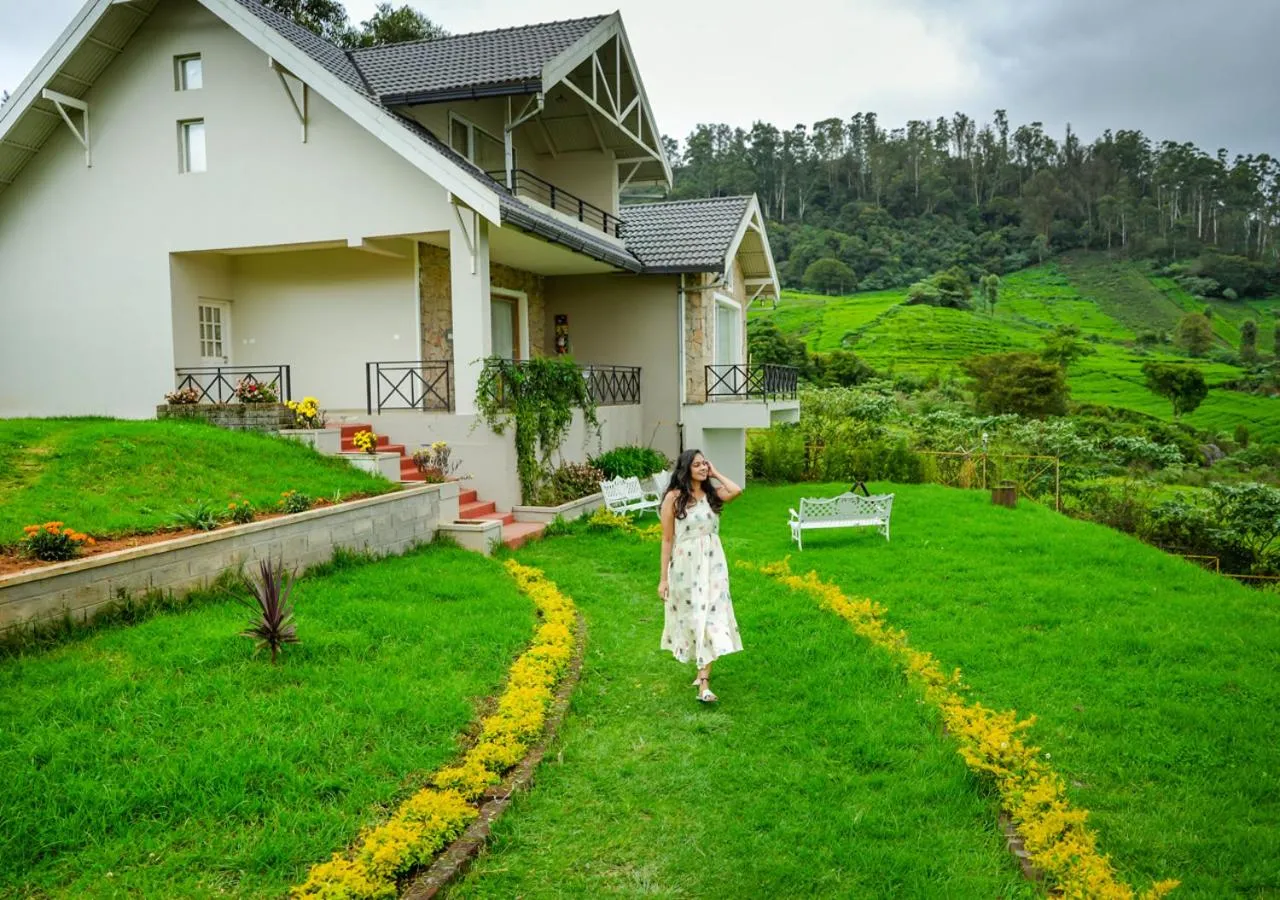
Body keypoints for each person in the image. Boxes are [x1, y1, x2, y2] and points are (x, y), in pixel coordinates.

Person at [657, 449, 744, 702]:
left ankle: (704, 682)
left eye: (705, 463)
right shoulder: (674, 498)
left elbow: (736, 490)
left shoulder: (712, 494)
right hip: (686, 566)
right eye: (697, 465)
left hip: (714, 564)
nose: (703, 468)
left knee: (712, 616)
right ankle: (701, 667)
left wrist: (715, 473)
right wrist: (663, 579)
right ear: (686, 469)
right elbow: (666, 540)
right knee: (694, 616)